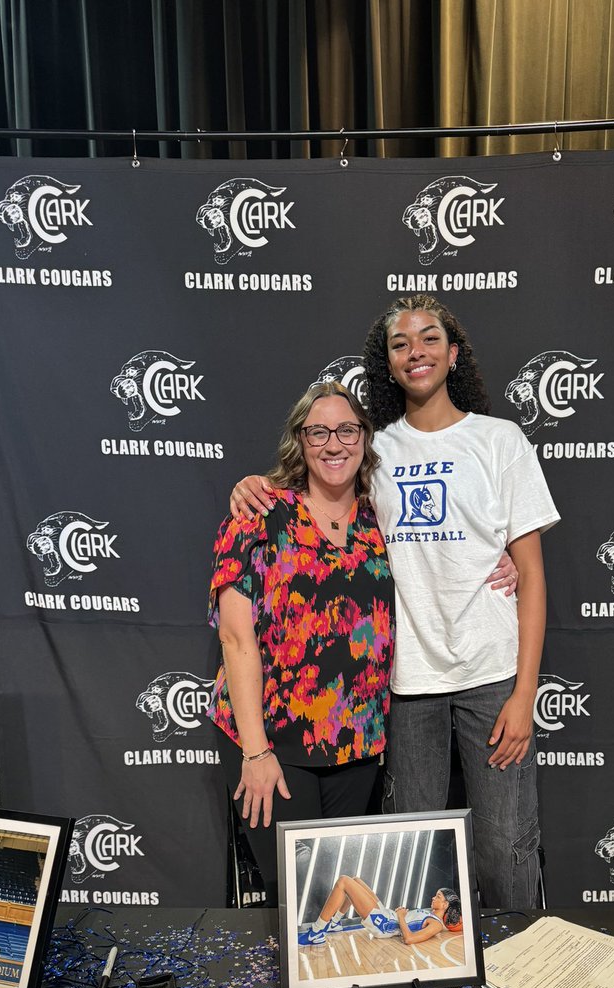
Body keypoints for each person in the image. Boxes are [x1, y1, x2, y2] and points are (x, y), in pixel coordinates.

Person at [231, 295, 559, 908]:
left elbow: (534, 577)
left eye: (430, 339)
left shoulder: (500, 440)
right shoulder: (373, 450)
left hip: (491, 675)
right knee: (411, 851)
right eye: (401, 344)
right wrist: (252, 485)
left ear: (453, 353)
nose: (417, 353)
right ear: (387, 362)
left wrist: (525, 692)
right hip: (404, 687)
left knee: (504, 846)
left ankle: (521, 976)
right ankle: (424, 976)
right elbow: (310, 490)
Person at [208, 381, 394, 903]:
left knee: (343, 895)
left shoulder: (382, 521)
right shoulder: (258, 517)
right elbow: (236, 638)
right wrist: (256, 750)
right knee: (297, 898)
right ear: (300, 441)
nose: (334, 444)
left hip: (357, 746)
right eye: (319, 432)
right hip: (273, 741)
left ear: (364, 438)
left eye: (347, 430)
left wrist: (504, 561)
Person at [297, 875, 462, 947]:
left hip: (384, 924)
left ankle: (316, 932)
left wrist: (401, 916)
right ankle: (334, 923)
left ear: (445, 905)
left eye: (438, 897)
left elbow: (410, 939)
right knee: (355, 880)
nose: (433, 897)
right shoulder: (430, 914)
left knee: (344, 882)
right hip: (387, 914)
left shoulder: (436, 925)